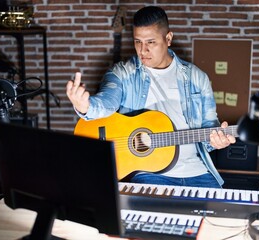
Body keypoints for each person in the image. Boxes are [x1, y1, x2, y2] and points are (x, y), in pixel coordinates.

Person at [66, 6, 236, 188]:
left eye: (151, 42)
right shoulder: (122, 73)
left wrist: (217, 140)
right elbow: (107, 102)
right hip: (148, 175)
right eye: (137, 41)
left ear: (168, 38)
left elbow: (209, 127)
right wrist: (86, 106)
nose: (143, 50)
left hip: (198, 172)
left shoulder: (197, 77)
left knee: (220, 213)